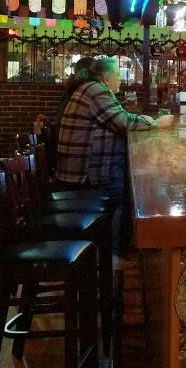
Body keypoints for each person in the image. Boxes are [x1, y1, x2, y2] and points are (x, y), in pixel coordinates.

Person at [56, 56, 173, 246]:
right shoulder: (95, 90)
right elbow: (123, 122)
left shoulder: (92, 88)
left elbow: (119, 117)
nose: (120, 79)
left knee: (130, 184)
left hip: (84, 168)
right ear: (105, 78)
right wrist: (155, 124)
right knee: (128, 193)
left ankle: (119, 246)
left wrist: (143, 120)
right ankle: (117, 250)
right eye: (117, 75)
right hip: (85, 173)